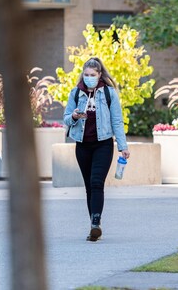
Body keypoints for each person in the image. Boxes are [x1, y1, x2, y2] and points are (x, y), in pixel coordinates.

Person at [64, 57, 130, 242]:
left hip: (103, 144)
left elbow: (117, 120)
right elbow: (66, 118)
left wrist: (123, 146)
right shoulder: (76, 93)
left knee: (96, 182)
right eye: (86, 75)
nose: (89, 78)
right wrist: (75, 116)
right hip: (82, 145)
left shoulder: (109, 93)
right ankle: (93, 225)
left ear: (100, 74)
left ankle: (95, 222)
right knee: (88, 187)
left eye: (93, 75)